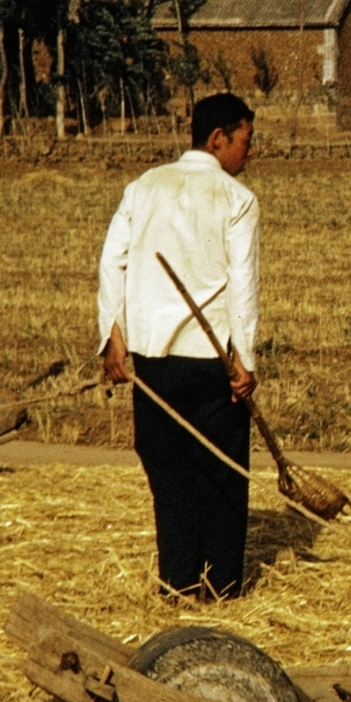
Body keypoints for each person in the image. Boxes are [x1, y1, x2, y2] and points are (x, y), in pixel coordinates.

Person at [98, 92, 261, 600]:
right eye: (245, 141)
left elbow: (112, 261)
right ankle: (222, 590)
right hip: (210, 366)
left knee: (170, 476)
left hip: (153, 366)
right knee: (222, 475)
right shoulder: (237, 200)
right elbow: (244, 285)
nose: (249, 153)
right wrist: (246, 360)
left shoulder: (144, 187)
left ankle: (178, 585)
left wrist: (113, 336)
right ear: (219, 140)